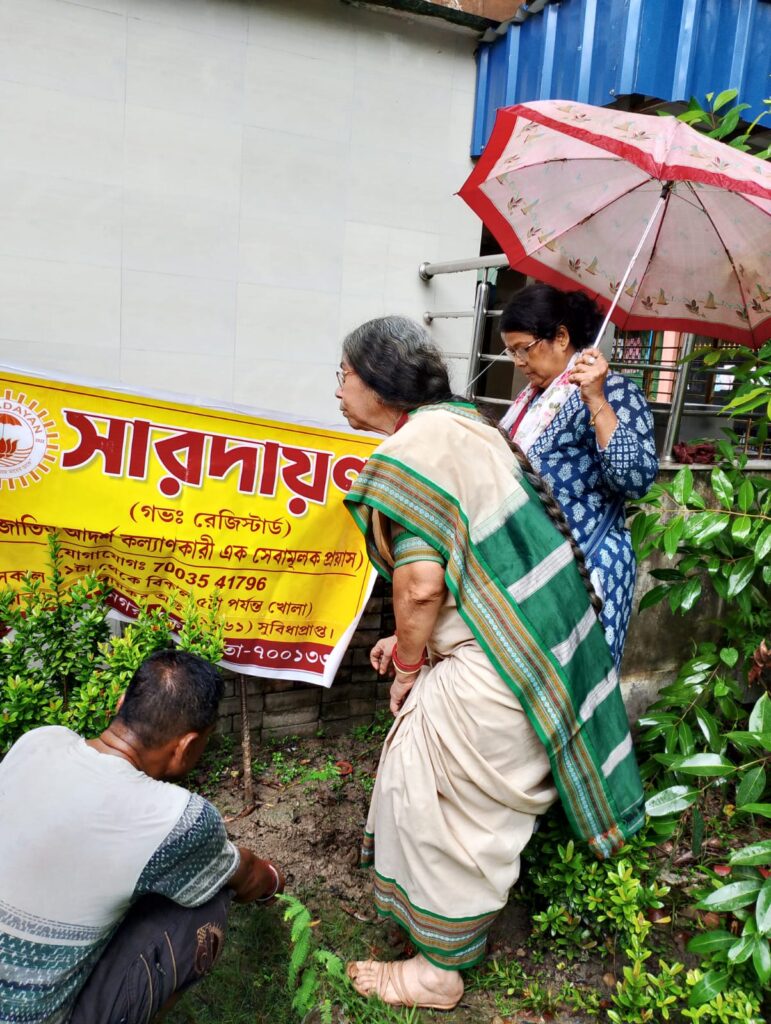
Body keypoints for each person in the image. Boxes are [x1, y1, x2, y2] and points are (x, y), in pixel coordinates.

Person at [335, 316, 643, 1010]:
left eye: (344, 374)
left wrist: (410, 665)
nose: (337, 389)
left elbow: (421, 583)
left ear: (380, 381)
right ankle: (442, 933)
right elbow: (478, 561)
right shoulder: (469, 429)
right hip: (525, 650)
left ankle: (437, 972)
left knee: (435, 809)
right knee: (461, 813)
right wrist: (414, 642)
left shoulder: (411, 453)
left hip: (487, 671)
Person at [0, 649, 284, 1024]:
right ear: (185, 746)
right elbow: (243, 873)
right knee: (207, 900)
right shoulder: (176, 817)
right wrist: (272, 881)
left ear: (121, 705)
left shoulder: (39, 742)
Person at [499, 283, 659, 669]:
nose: (518, 361)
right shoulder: (530, 401)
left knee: (581, 687)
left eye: (524, 348)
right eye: (511, 351)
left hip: (589, 568)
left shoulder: (617, 392)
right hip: (534, 565)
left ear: (561, 337)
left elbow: (635, 479)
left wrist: (597, 400)